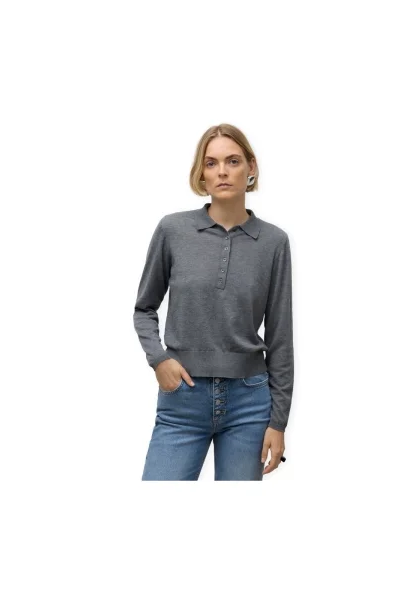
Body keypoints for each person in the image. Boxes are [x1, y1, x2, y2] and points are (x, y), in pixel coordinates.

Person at [133, 123, 294, 480]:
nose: (222, 171)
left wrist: (278, 421)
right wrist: (159, 359)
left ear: (251, 167)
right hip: (182, 399)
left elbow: (281, 337)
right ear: (201, 173)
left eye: (233, 161)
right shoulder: (173, 231)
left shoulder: (273, 243)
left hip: (250, 404)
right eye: (211, 163)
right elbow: (144, 308)